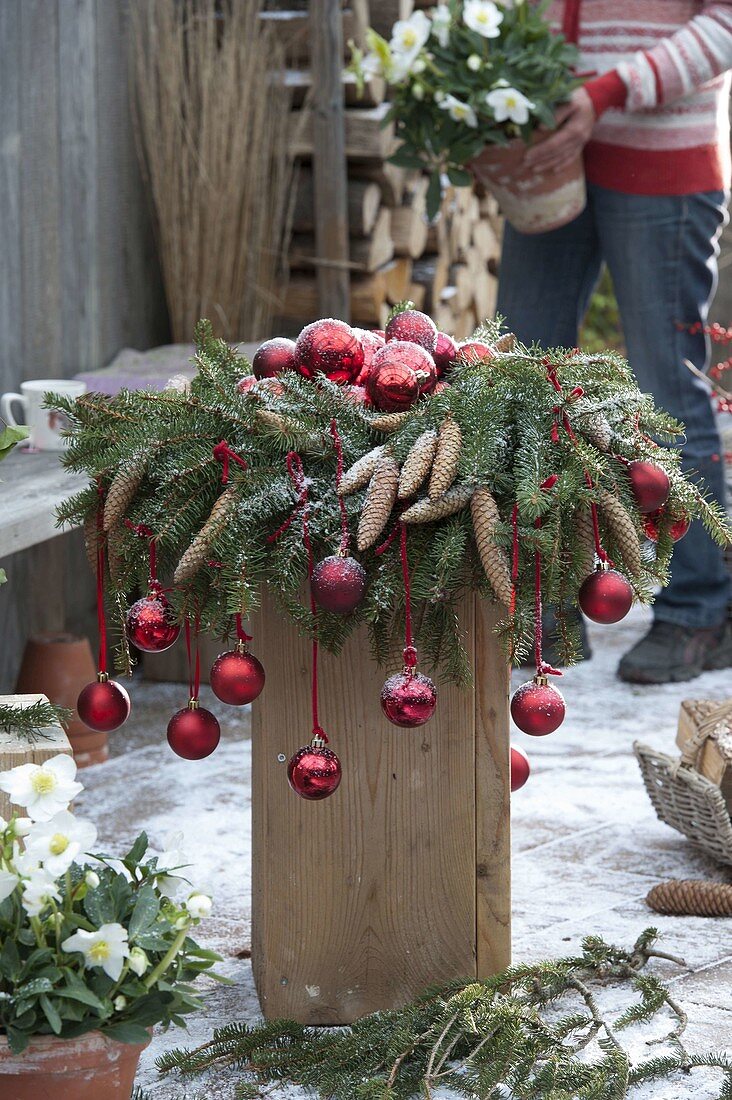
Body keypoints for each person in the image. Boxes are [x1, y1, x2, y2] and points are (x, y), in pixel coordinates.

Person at [496, 0, 732, 683]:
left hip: (660, 163)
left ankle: (699, 609)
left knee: (666, 387)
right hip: (542, 160)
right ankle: (544, 606)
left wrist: (607, 92)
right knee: (524, 382)